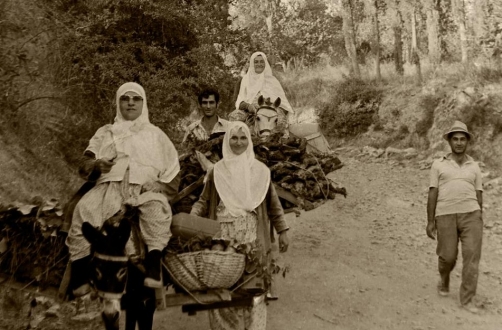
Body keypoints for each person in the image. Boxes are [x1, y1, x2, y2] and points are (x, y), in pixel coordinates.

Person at [66, 82, 181, 294]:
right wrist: (97, 165)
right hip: (108, 189)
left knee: (158, 211)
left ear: (143, 103)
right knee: (84, 210)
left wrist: (158, 185)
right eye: (125, 98)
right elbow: (85, 163)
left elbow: (173, 172)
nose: (130, 103)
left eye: (135, 99)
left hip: (143, 191)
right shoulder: (106, 133)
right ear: (118, 103)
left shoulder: (156, 135)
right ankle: (80, 275)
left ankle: (153, 267)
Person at [190, 121, 290, 330]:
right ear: (227, 141)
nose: (238, 142)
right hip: (223, 239)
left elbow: (273, 205)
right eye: (233, 138)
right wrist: (191, 221)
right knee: (222, 289)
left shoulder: (261, 172)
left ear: (249, 140)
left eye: (243, 137)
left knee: (254, 289)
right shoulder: (217, 171)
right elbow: (203, 201)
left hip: (253, 240)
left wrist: (283, 231)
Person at [426, 120, 483, 314]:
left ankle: (467, 300)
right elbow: (432, 192)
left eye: (462, 139)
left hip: (471, 216)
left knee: (472, 258)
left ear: (467, 142)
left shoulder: (474, 166)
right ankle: (444, 278)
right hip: (445, 215)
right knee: (447, 257)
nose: (459, 142)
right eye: (455, 139)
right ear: (449, 142)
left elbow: (479, 193)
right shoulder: (438, 164)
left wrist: (479, 216)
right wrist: (430, 221)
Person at [230, 51, 294, 131]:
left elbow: (283, 104)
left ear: (265, 63)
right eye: (256, 62)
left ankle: (274, 141)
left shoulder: (272, 81)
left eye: (261, 61)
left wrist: (270, 110)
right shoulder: (245, 80)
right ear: (252, 64)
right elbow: (238, 101)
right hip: (249, 112)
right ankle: (242, 140)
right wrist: (248, 106)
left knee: (280, 122)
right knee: (235, 117)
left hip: (271, 111)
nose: (259, 64)